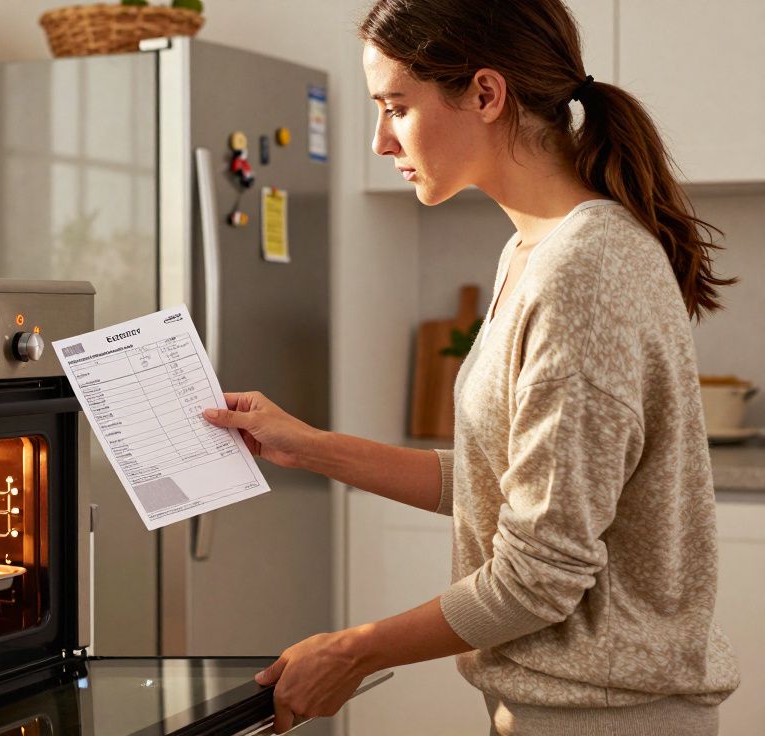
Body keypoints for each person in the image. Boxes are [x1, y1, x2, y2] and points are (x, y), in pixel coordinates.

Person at [202, 1, 741, 733]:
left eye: (396, 106)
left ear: (486, 94)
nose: (379, 139)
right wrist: (309, 447)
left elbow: (537, 577)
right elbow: (503, 483)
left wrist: (352, 651)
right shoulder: (531, 253)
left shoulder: (583, 269)